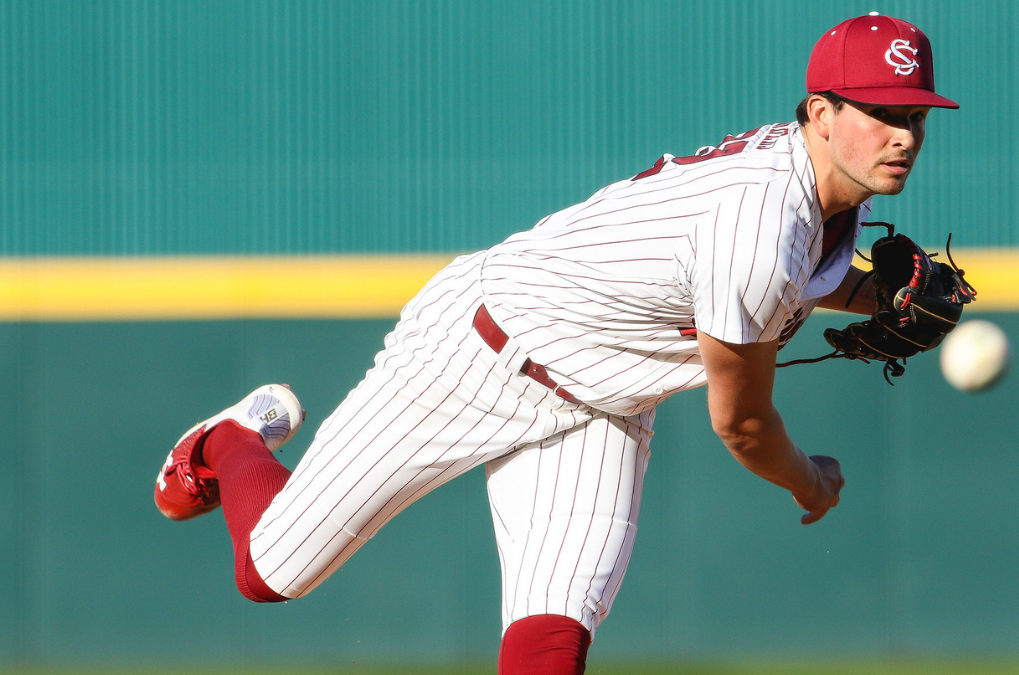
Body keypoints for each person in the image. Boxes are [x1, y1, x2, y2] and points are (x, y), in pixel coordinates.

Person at [153, 13, 957, 675]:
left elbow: (783, 277)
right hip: (476, 354)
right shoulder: (760, 221)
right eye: (881, 112)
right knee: (270, 573)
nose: (903, 133)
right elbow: (742, 423)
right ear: (821, 113)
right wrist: (807, 481)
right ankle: (230, 437)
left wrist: (870, 291)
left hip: (601, 403)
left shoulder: (816, 200)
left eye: (914, 114)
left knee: (551, 639)